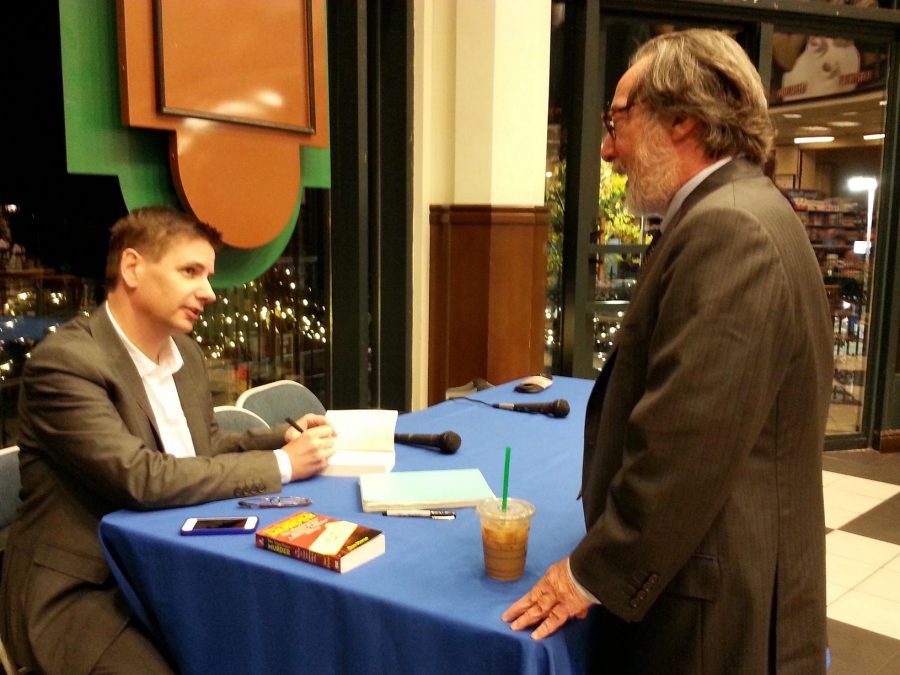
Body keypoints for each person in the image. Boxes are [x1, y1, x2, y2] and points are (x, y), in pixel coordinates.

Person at [503, 29, 833, 673]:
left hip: (709, 610)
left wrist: (591, 573)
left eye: (616, 120)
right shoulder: (735, 209)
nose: (606, 149)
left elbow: (685, 446)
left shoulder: (729, 229)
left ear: (682, 119)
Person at [0, 206, 336, 674]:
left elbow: (204, 449)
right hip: (89, 587)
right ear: (133, 267)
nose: (208, 292)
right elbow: (141, 477)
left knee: (290, 636)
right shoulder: (66, 364)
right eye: (190, 271)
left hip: (173, 566)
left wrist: (283, 437)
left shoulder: (188, 356)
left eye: (208, 275)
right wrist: (283, 465)